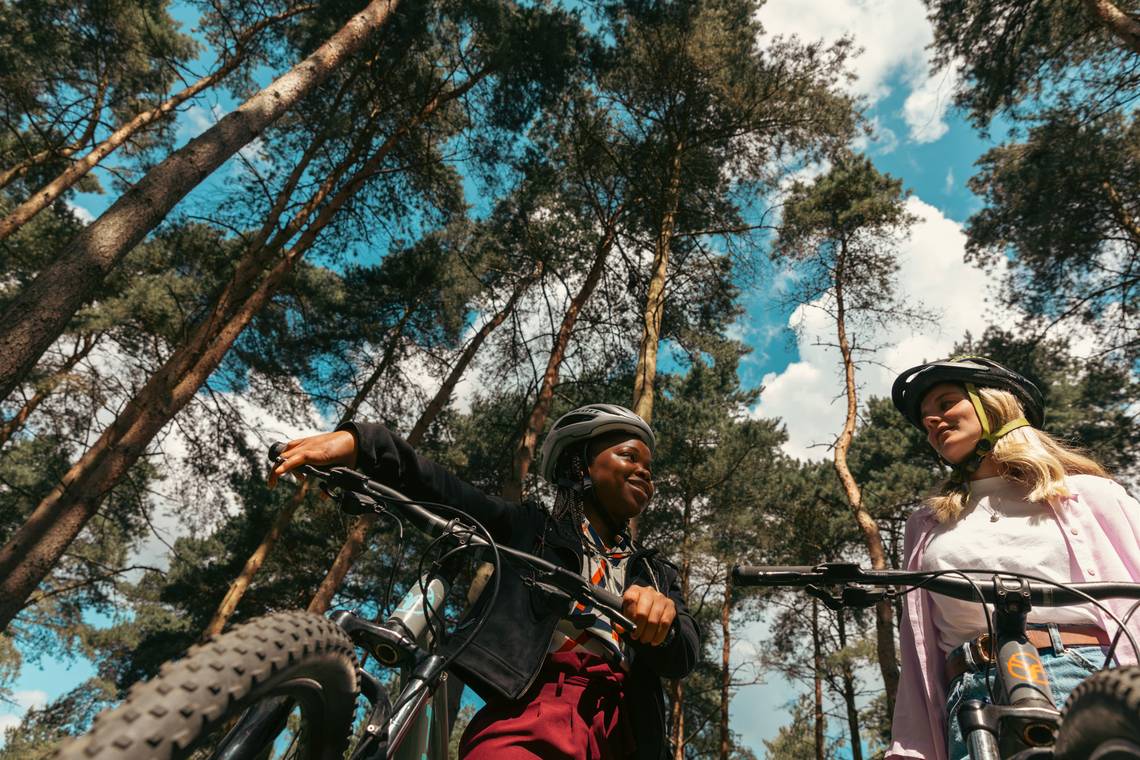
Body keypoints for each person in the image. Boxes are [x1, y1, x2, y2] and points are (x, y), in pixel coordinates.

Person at [268, 403, 700, 760]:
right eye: (629, 456)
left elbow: (684, 653)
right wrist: (364, 445)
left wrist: (664, 626)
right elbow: (446, 490)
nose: (646, 473)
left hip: (627, 732)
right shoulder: (531, 528)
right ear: (579, 465)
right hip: (534, 713)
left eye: (650, 467)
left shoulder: (655, 572)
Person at [886, 356, 1140, 760]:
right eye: (925, 418)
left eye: (946, 403)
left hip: (1084, 675)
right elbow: (918, 651)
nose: (931, 421)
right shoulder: (926, 523)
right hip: (969, 698)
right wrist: (912, 749)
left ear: (995, 405)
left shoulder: (1090, 495)